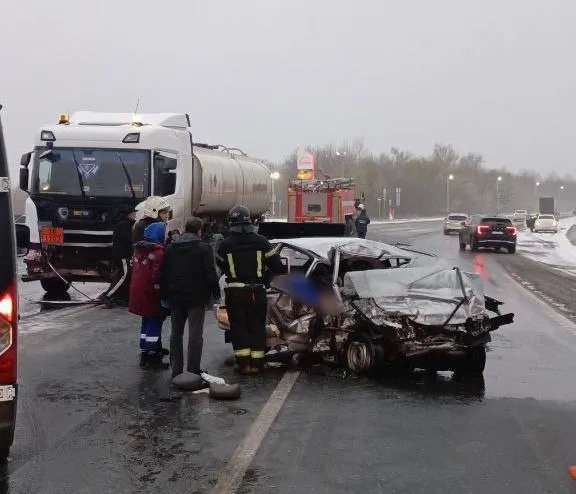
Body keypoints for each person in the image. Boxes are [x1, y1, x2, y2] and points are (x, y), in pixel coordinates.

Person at [216, 205, 284, 375]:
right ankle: (257, 365)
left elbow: (220, 264)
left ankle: (244, 365)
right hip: (257, 291)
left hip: (235, 292)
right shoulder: (261, 241)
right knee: (257, 327)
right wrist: (265, 280)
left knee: (239, 328)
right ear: (249, 221)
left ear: (231, 222)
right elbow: (277, 266)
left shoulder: (225, 244)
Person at [158, 217, 221, 378]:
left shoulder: (171, 248)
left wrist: (164, 295)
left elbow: (163, 273)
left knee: (176, 333)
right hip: (196, 298)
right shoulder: (203, 248)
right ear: (199, 231)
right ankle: (193, 369)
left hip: (175, 297)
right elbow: (210, 272)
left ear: (185, 229)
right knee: (195, 334)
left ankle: (176, 369)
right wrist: (216, 294)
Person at [129, 222, 169, 369]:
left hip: (138, 290)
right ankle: (151, 356)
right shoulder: (158, 252)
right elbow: (157, 277)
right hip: (150, 292)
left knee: (146, 319)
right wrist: (163, 296)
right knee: (155, 319)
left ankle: (147, 348)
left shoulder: (140, 249)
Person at [105, 206, 137, 306]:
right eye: (134, 213)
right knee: (124, 276)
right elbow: (129, 240)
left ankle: (121, 297)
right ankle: (108, 295)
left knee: (123, 276)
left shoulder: (125, 224)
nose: (135, 215)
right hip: (123, 255)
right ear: (129, 215)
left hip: (122, 255)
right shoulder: (125, 225)